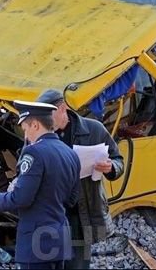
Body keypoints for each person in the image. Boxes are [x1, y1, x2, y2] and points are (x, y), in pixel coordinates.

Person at [0, 100, 80, 269]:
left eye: (25, 129)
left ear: (34, 125)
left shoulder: (34, 152)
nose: (25, 136)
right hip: (60, 238)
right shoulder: (70, 153)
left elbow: (21, 197)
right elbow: (72, 198)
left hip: (36, 241)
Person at [36, 89, 124, 270]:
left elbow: (118, 161)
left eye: (48, 115)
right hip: (50, 212)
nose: (45, 121)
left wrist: (110, 167)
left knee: (77, 265)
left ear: (63, 109)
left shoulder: (94, 130)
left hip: (80, 212)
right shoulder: (38, 133)